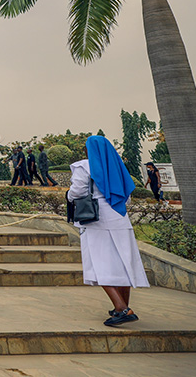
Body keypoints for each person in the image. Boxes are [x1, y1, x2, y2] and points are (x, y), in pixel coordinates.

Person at [68, 135, 149, 326]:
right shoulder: (117, 166)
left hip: (97, 220)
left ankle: (122, 308)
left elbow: (77, 192)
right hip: (120, 218)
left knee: (100, 264)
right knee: (122, 263)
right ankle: (122, 306)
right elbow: (127, 197)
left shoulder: (84, 166)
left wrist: (68, 196)